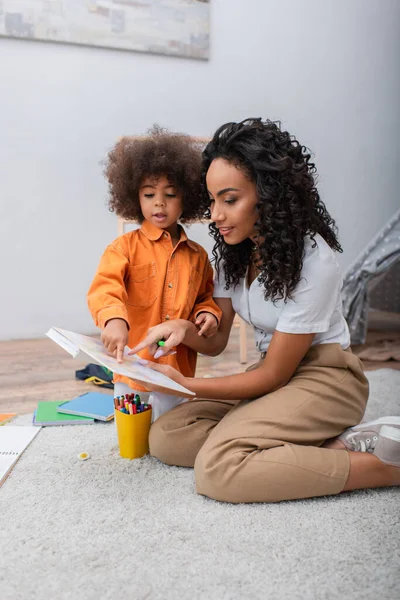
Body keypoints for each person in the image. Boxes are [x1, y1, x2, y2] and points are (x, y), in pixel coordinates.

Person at [130, 118, 400, 503]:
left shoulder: (313, 261)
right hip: (273, 377)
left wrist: (182, 385)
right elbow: (217, 341)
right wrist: (183, 329)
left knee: (218, 470)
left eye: (230, 199)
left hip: (326, 380)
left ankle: (383, 467)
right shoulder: (234, 254)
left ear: (269, 195)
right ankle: (309, 446)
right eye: (212, 200)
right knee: (168, 437)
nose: (216, 215)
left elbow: (274, 374)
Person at [87, 127, 222, 421]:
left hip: (175, 367)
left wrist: (208, 314)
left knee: (169, 430)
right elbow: (105, 287)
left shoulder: (198, 256)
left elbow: (205, 296)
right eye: (149, 194)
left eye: (170, 194)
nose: (159, 202)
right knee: (131, 430)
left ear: (187, 198)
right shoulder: (123, 248)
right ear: (135, 197)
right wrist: (113, 320)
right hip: (131, 362)